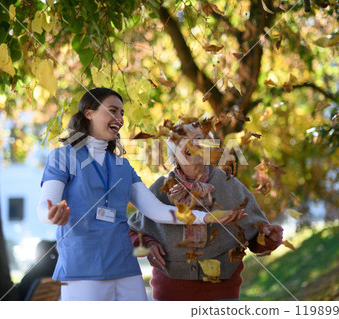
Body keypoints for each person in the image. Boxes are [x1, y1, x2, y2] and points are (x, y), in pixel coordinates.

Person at [37, 88, 239, 301]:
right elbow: (44, 208)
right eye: (113, 110)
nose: (120, 118)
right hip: (83, 267)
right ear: (89, 113)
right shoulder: (62, 156)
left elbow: (156, 210)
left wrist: (204, 217)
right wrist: (51, 215)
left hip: (125, 265)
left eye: (122, 113)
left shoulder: (122, 166)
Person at [128, 122, 284, 301]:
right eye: (182, 141)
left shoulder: (230, 184)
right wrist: (148, 244)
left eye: (198, 139)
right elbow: (133, 229)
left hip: (221, 295)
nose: (191, 144)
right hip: (169, 294)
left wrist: (267, 237)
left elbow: (255, 239)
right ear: (173, 154)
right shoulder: (160, 187)